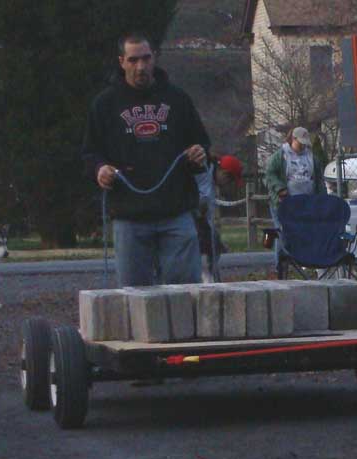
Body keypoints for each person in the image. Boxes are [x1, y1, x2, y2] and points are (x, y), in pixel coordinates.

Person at [82, 32, 210, 287]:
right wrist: (99, 169)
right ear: (121, 61)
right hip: (129, 216)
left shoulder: (177, 99)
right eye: (133, 60)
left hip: (176, 212)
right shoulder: (104, 104)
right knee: (134, 298)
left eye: (146, 58)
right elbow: (89, 152)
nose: (140, 66)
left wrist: (199, 154)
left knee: (185, 294)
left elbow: (202, 142)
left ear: (155, 58)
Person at [263, 126, 326, 270]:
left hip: (305, 203)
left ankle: (304, 263)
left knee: (305, 233)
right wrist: (280, 188)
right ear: (293, 139)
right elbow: (269, 175)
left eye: (305, 142)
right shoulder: (280, 156)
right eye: (300, 142)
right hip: (283, 203)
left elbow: (319, 180)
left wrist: (321, 199)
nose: (303, 145)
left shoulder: (312, 158)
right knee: (283, 233)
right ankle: (281, 266)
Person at [194, 154, 243, 282]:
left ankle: (211, 277)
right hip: (190, 219)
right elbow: (200, 207)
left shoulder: (211, 179)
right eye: (230, 180)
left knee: (214, 239)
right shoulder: (204, 174)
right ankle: (206, 278)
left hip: (200, 221)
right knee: (208, 244)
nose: (228, 184)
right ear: (224, 173)